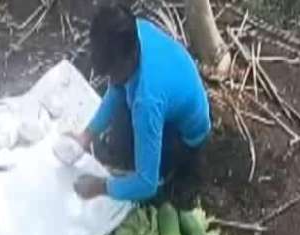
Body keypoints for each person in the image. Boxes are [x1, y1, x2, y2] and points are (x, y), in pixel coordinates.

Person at [66, 4, 212, 201]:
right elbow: (116, 89)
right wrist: (87, 135)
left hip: (186, 136)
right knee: (122, 124)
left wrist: (100, 187)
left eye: (113, 72)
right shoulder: (133, 32)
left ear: (129, 58)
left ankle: (176, 172)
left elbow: (146, 183)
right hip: (181, 95)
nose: (111, 79)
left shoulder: (146, 102)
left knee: (135, 166)